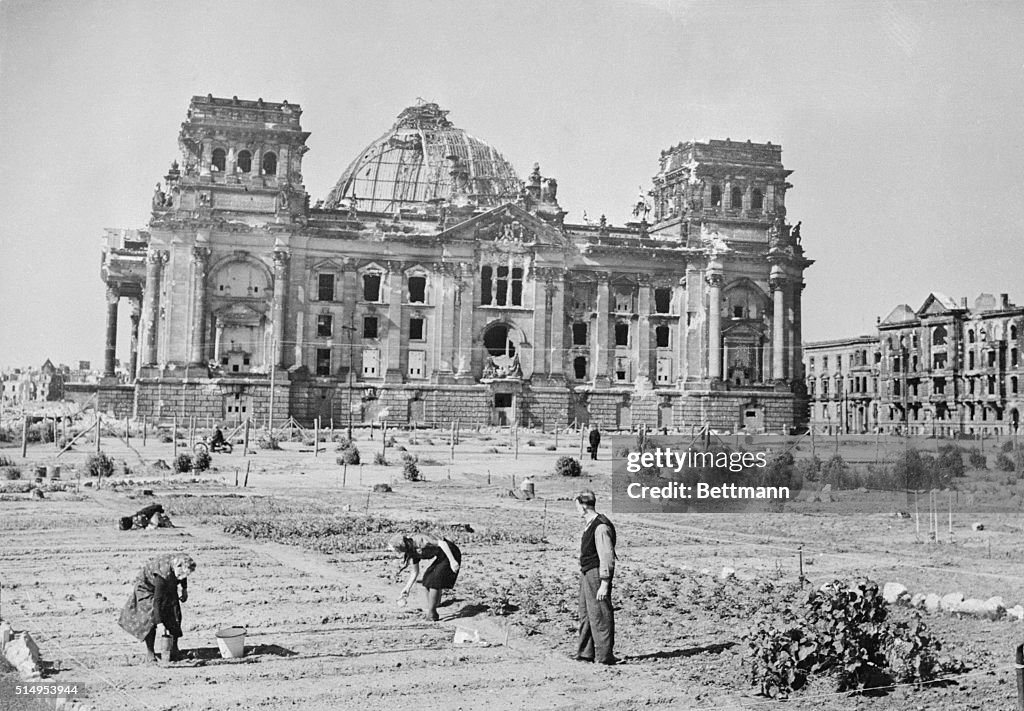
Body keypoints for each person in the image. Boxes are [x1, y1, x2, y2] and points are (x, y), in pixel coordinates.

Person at [118, 553, 195, 662]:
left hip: (168, 582)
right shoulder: (162, 576)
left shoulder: (179, 567)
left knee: (174, 612)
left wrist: (184, 589)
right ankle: (150, 653)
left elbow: (182, 575)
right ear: (176, 567)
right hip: (147, 588)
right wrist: (159, 623)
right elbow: (157, 601)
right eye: (181, 574)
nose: (182, 577)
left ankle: (174, 649)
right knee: (151, 615)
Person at [573, 490, 617, 665]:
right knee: (586, 613)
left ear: (584, 506)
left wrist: (604, 583)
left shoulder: (600, 526)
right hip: (587, 572)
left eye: (577, 506)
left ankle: (605, 656)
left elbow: (607, 556)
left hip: (597, 573)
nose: (576, 510)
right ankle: (585, 653)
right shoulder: (590, 523)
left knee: (600, 614)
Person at [388, 533, 461, 622]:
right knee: (427, 578)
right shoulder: (412, 552)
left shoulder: (420, 541)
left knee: (435, 580)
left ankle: (432, 613)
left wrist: (452, 561)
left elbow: (442, 544)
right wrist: (407, 588)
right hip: (441, 555)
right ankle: (434, 604)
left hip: (450, 552)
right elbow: (415, 572)